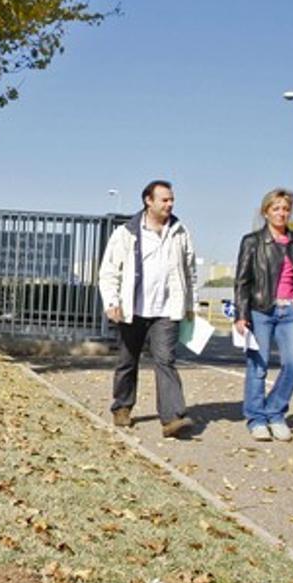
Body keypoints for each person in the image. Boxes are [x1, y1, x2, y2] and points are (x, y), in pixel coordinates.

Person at [99, 180, 198, 438]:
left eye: (171, 199)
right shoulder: (126, 233)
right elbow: (109, 271)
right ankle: (122, 406)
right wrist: (112, 302)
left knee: (166, 361)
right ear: (148, 201)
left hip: (166, 311)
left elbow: (190, 273)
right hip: (132, 309)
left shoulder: (180, 232)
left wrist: (190, 305)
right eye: (164, 200)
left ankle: (172, 418)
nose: (170, 204)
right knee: (127, 361)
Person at [233, 188, 293, 441]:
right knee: (258, 366)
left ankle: (275, 413)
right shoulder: (252, 241)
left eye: (285, 209)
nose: (281, 213)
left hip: (291, 311)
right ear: (266, 212)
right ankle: (256, 418)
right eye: (276, 208)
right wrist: (241, 314)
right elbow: (242, 281)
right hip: (260, 310)